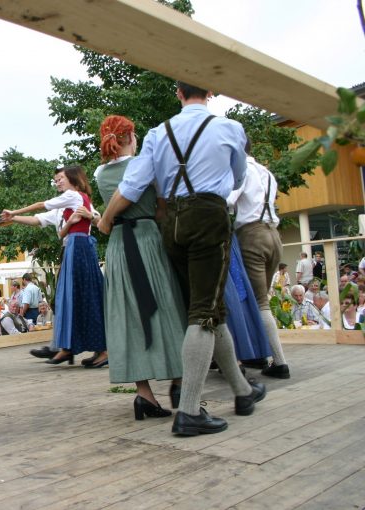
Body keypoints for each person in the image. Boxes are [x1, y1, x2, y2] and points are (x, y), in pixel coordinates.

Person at [112, 82, 265, 436]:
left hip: (172, 223)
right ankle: (191, 411)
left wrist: (106, 217)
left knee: (208, 309)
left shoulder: (157, 132)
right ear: (210, 92)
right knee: (204, 312)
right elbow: (240, 176)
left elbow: (134, 184)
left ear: (178, 93)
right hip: (209, 215)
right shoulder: (229, 129)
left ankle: (243, 392)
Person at [96, 114, 185, 419]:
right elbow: (161, 211)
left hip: (119, 246)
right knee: (168, 307)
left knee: (129, 315)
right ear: (130, 137)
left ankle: (144, 395)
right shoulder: (143, 164)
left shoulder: (98, 173)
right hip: (147, 240)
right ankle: (179, 379)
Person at [1, 165, 106, 366]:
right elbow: (37, 220)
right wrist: (13, 218)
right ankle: (67, 347)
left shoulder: (74, 197)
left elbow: (97, 218)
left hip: (80, 248)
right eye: (56, 179)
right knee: (67, 300)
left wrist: (14, 211)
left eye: (60, 178)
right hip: (71, 249)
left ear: (73, 179)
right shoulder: (62, 206)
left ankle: (84, 348)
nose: (57, 181)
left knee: (82, 297)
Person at [226, 143, 288, 378]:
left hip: (252, 235)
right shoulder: (266, 172)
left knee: (257, 301)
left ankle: (279, 362)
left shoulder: (240, 171)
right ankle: (259, 353)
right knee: (261, 299)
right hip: (274, 234)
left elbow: (229, 201)